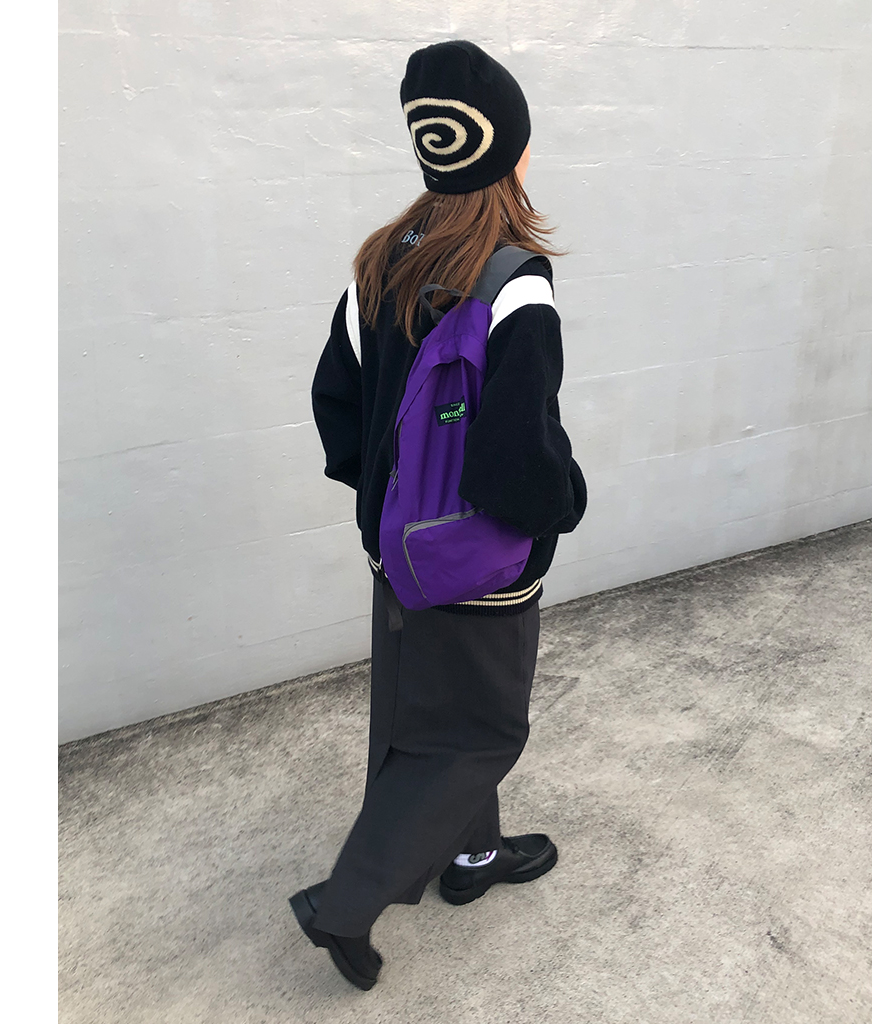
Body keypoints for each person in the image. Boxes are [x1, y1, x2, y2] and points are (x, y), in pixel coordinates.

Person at [290, 39, 587, 991]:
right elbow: (519, 458)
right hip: (478, 562)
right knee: (477, 731)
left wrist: (384, 509)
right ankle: (344, 905)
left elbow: (335, 401)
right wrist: (563, 507)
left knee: (423, 708)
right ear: (511, 151)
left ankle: (473, 855)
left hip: (398, 549)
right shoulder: (514, 280)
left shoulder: (378, 262)